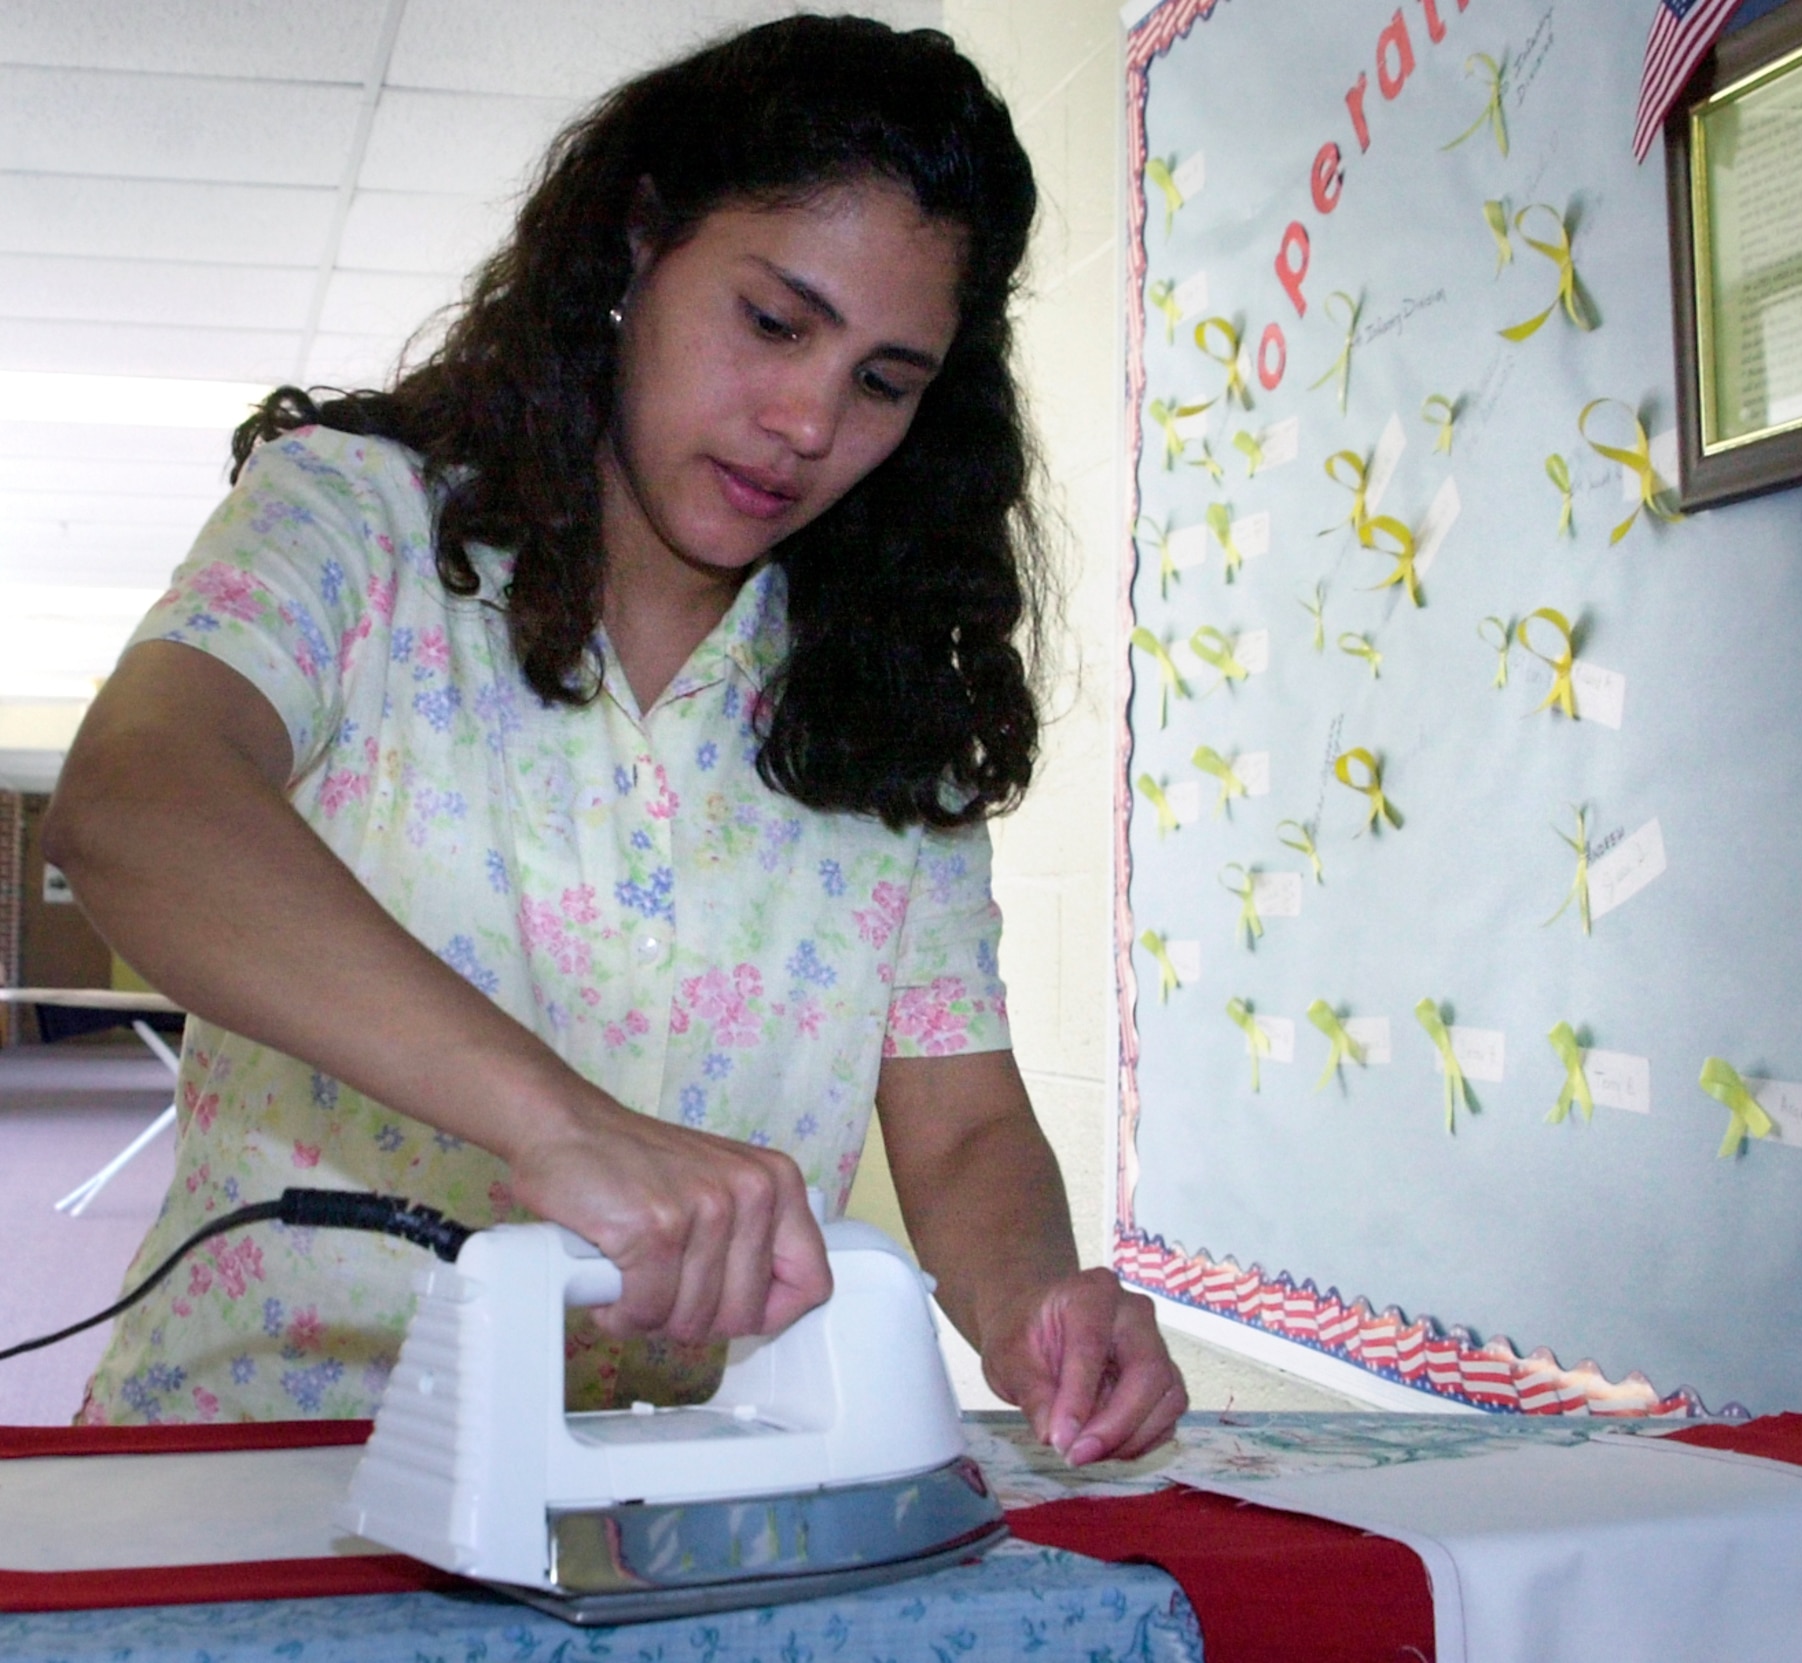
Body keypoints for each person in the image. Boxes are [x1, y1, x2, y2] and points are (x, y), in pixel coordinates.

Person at [46, 13, 1186, 1465]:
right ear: (639, 246)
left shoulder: (888, 694)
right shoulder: (356, 524)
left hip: (666, 1498)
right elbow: (138, 808)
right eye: (776, 323)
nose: (804, 421)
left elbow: (959, 1125)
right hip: (265, 1457)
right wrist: (561, 1125)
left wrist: (1038, 1308)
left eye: (884, 383)